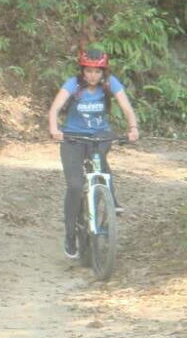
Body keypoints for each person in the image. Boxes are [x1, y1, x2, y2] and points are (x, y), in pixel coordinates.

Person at [47, 47, 139, 259]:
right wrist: (54, 129)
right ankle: (70, 235)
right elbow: (55, 109)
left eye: (97, 72)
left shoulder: (110, 83)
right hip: (72, 138)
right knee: (75, 185)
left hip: (99, 135)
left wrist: (133, 128)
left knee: (100, 159)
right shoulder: (73, 84)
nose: (92, 76)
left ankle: (110, 199)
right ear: (82, 70)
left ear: (104, 72)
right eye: (88, 71)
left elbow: (126, 107)